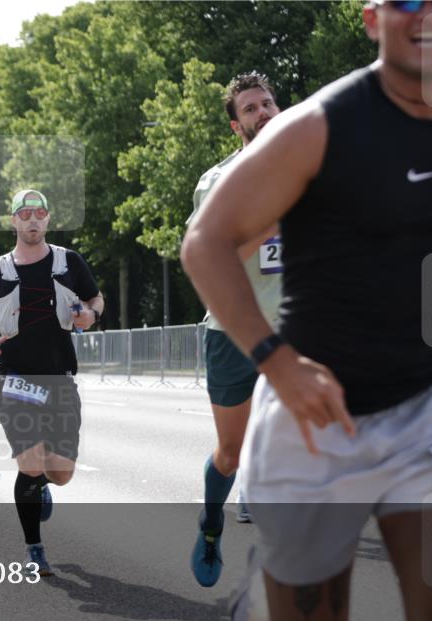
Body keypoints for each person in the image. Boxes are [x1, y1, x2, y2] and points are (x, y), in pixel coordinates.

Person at [180, 1, 432, 621]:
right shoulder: (319, 125)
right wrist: (277, 362)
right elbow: (204, 242)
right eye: (409, 0)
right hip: (315, 413)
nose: (428, 14)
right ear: (374, 18)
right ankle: (264, 602)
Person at [0, 189, 104, 575]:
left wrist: (91, 315)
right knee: (29, 465)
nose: (32, 219)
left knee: (60, 473)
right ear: (13, 220)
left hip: (60, 378)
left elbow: (96, 300)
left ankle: (44, 483)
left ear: (47, 220)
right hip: (14, 380)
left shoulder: (68, 262)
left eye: (39, 213)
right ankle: (34, 547)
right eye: (24, 213)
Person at [186, 71, 282, 588]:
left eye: (267, 103)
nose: (262, 112)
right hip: (232, 333)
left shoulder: (310, 171)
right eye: (250, 108)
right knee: (231, 453)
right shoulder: (218, 181)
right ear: (235, 125)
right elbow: (204, 257)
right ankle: (211, 523)